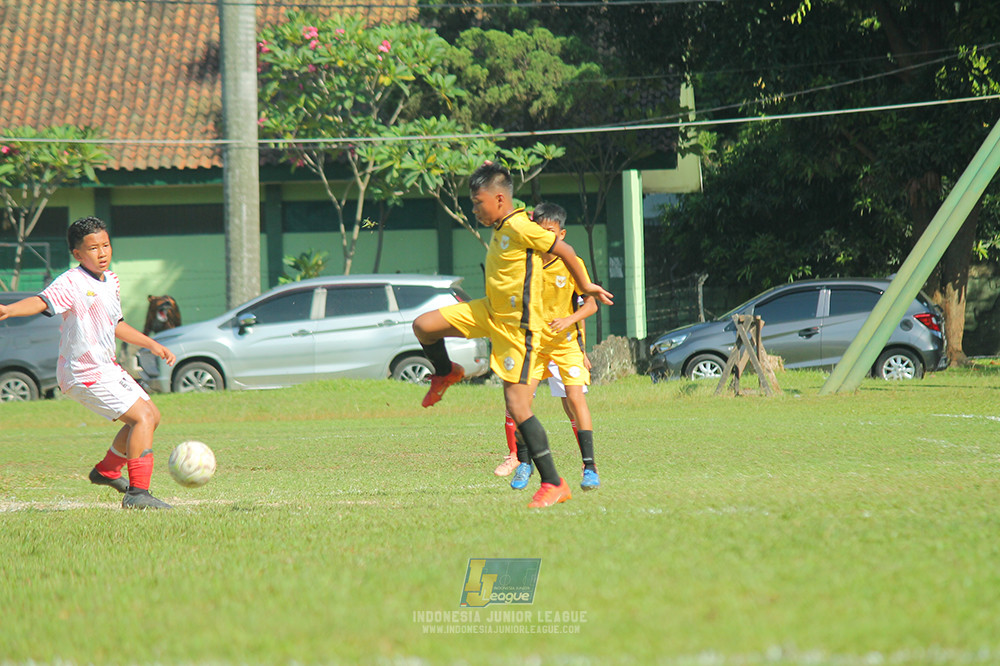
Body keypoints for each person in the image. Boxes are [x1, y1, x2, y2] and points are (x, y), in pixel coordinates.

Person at [412, 162, 613, 508]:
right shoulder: (503, 222)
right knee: (423, 326)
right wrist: (490, 167)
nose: (473, 209)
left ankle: (554, 482)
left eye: (477, 202)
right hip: (490, 311)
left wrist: (585, 285)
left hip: (518, 329)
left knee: (518, 406)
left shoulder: (521, 226)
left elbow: (564, 250)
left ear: (500, 199)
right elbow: (498, 179)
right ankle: (446, 373)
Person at [0, 216, 177, 509]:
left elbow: (115, 324)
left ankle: (107, 471)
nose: (103, 252)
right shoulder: (72, 281)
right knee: (141, 418)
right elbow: (42, 301)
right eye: (94, 248)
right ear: (78, 254)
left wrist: (152, 344)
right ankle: (137, 494)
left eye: (106, 245)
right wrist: (9, 310)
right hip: (82, 372)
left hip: (106, 367)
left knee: (151, 416)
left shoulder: (111, 281)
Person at [499, 202, 601, 492]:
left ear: (562, 234)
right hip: (532, 346)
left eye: (551, 232)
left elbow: (591, 304)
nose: (546, 237)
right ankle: (524, 463)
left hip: (565, 345)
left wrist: (569, 319)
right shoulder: (523, 262)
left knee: (575, 400)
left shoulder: (572, 263)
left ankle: (590, 467)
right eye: (540, 231)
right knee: (519, 404)